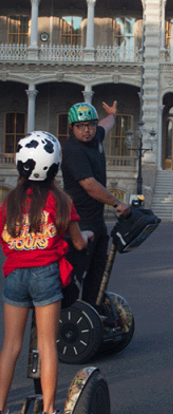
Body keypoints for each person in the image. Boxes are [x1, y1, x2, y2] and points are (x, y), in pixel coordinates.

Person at [0, 131, 92, 414]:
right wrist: (88, 234)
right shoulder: (61, 200)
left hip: (15, 274)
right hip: (45, 274)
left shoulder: (10, 201)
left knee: (11, 345)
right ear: (54, 167)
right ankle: (49, 409)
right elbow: (77, 241)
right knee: (47, 345)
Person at [61, 102, 131, 306]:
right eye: (80, 126)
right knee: (75, 275)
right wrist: (117, 203)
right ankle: (67, 318)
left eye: (90, 125)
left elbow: (106, 125)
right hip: (79, 221)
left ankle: (92, 313)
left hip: (97, 221)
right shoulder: (73, 150)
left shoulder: (96, 136)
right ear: (72, 127)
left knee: (97, 274)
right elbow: (89, 185)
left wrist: (113, 115)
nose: (86, 130)